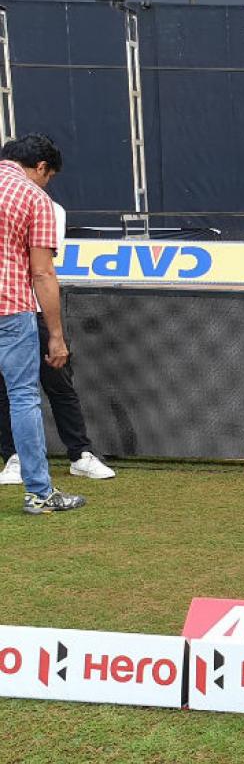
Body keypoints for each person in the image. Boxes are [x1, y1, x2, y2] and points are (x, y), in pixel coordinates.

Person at [0, 199, 116, 484]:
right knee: (4, 389)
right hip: (7, 311)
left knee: (59, 383)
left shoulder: (51, 209)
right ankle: (14, 458)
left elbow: (42, 267)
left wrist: (55, 332)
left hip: (34, 309)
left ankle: (80, 454)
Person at [0, 134, 86, 515]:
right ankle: (39, 492)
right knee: (23, 396)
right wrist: (56, 335)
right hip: (11, 309)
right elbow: (43, 274)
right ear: (40, 167)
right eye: (48, 176)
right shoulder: (35, 199)